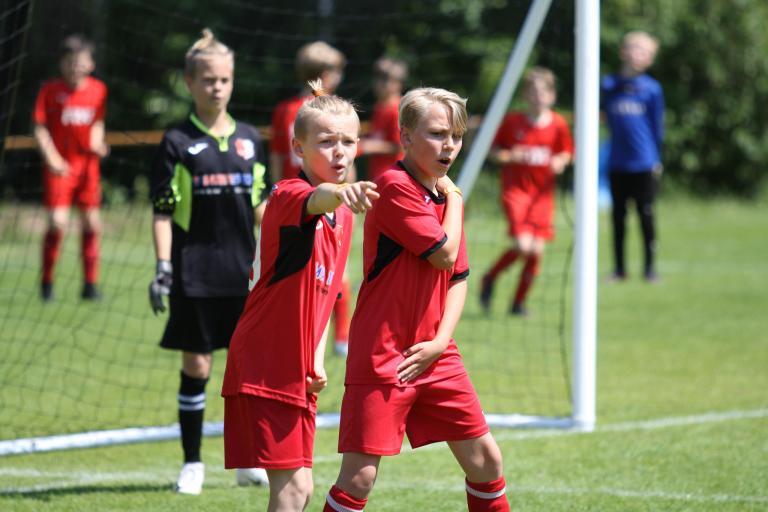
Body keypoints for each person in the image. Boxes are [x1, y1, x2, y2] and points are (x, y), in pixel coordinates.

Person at [323, 87, 510, 512]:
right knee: (360, 477)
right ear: (405, 137)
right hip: (384, 354)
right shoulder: (394, 185)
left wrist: (441, 342)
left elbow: (458, 276)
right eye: (438, 134)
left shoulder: (443, 196)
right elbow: (444, 252)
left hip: (435, 353)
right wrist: (458, 198)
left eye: (457, 136)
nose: (450, 146)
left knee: (485, 460)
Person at [222, 81, 379, 512]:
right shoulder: (289, 196)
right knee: (292, 492)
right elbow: (317, 196)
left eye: (348, 141)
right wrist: (342, 192)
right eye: (326, 142)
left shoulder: (345, 215)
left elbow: (325, 298)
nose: (339, 152)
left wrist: (315, 358)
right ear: (297, 147)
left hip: (295, 367)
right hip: (264, 363)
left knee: (302, 490)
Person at [148, 28, 269, 495]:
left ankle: (246, 461)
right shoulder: (176, 142)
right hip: (194, 273)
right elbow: (162, 212)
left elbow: (260, 206)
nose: (216, 87)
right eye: (207, 80)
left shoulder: (249, 139)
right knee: (197, 366)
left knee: (246, 373)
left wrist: (289, 233)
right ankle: (192, 463)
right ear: (189, 82)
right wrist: (163, 267)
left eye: (224, 80)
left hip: (245, 274)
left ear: (232, 82)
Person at [270, 40, 352, 356]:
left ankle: (316, 337)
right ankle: (339, 338)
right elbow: (346, 163)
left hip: (294, 201)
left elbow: (278, 158)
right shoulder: (333, 112)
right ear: (325, 76)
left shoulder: (284, 110)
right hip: (321, 200)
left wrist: (276, 197)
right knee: (334, 271)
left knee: (305, 271)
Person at [479, 67, 573, 316]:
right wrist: (511, 155)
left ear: (552, 96)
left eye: (543, 93)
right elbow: (493, 152)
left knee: (536, 252)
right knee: (524, 246)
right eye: (532, 92)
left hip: (543, 196)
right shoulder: (512, 122)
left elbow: (566, 152)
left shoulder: (558, 124)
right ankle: (490, 277)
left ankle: (518, 303)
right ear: (525, 95)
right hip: (516, 192)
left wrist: (560, 162)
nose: (537, 97)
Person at [33, 34, 108, 301]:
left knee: (91, 223)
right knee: (58, 222)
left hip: (88, 167)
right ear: (61, 63)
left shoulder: (98, 90)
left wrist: (98, 143)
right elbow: (40, 128)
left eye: (81, 62)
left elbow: (98, 123)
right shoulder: (50, 91)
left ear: (90, 64)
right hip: (61, 168)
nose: (75, 67)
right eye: (70, 62)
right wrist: (52, 158)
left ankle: (90, 285)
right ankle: (47, 282)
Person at [601, 30, 664, 282]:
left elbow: (657, 127)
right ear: (623, 51)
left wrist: (657, 159)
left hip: (644, 163)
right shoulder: (608, 85)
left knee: (646, 214)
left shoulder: (652, 89)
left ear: (650, 59)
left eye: (645, 51)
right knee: (618, 217)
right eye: (634, 48)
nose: (638, 54)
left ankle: (650, 269)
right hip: (617, 162)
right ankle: (619, 269)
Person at [359, 57, 407, 180]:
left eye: (385, 80)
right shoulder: (380, 106)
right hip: (377, 173)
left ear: (398, 84)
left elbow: (402, 146)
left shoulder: (398, 110)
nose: (378, 84)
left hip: (393, 176)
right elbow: (379, 133)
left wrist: (369, 146)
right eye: (377, 78)